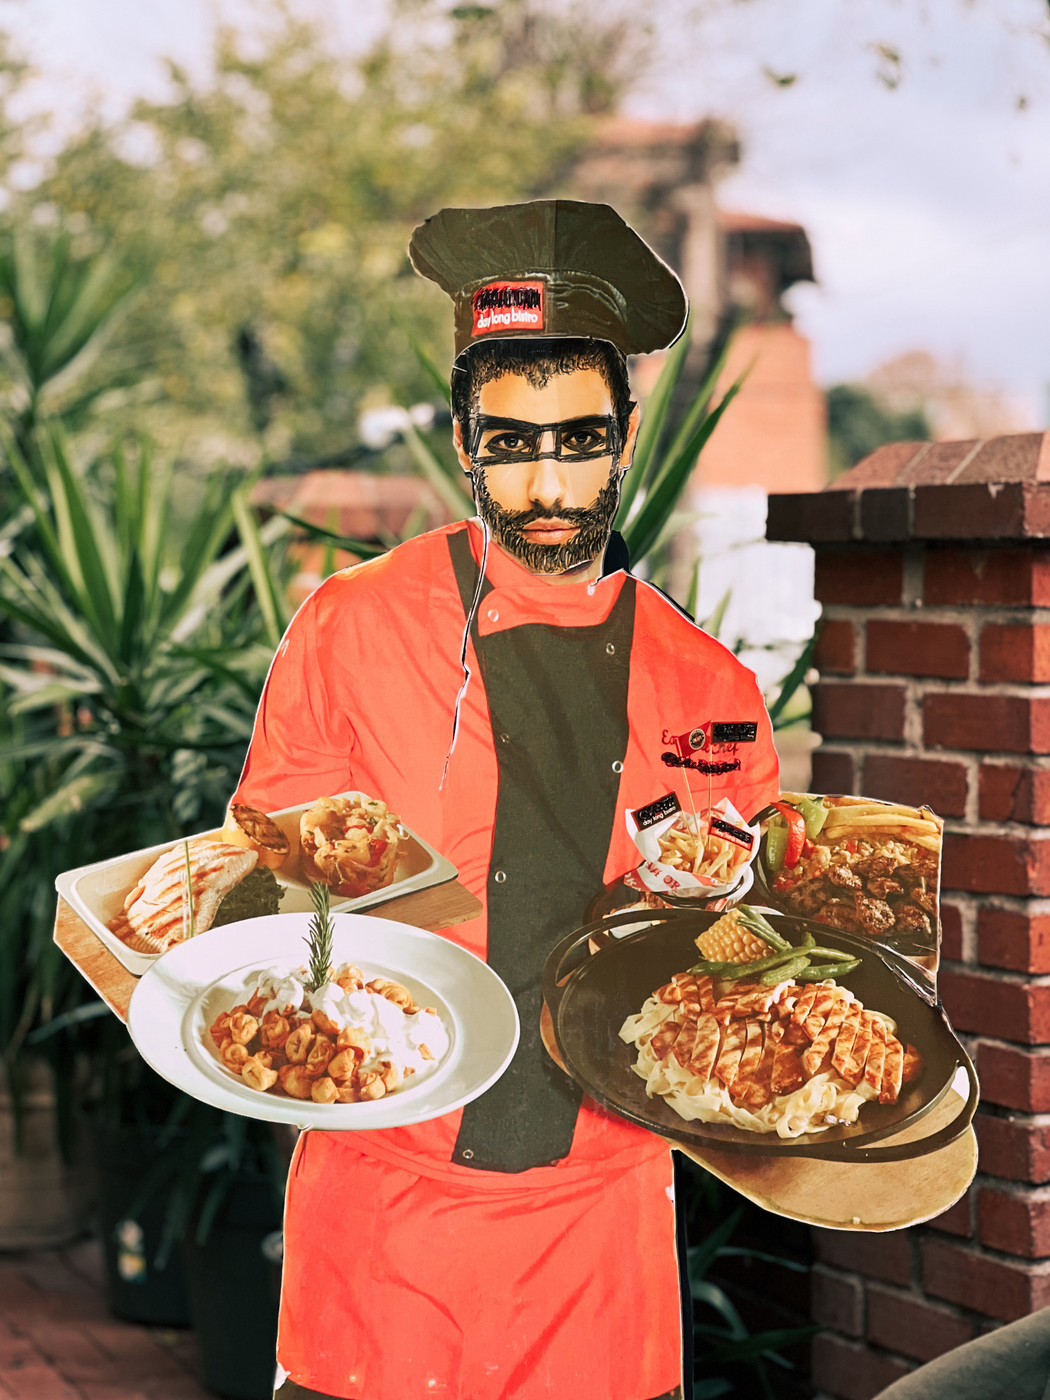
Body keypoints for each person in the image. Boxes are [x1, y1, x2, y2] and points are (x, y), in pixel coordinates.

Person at [232, 199, 780, 1400]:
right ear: (464, 443)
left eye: (579, 438)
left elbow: (736, 953)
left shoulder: (713, 687)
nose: (546, 480)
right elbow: (268, 869)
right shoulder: (350, 626)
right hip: (384, 1210)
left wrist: (742, 918)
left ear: (626, 436)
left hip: (604, 1229)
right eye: (512, 440)